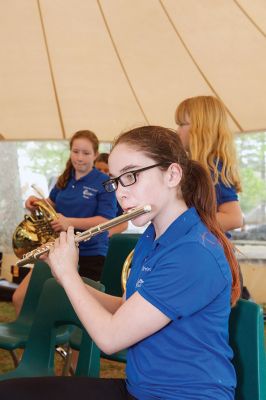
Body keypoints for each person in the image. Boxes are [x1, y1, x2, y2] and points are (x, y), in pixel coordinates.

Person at [3, 126, 241, 399]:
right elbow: (127, 309)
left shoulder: (193, 252)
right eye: (115, 181)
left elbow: (110, 338)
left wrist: (70, 276)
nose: (120, 193)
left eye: (131, 176)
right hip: (140, 390)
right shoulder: (152, 237)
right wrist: (65, 276)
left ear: (172, 174)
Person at [12, 130, 117, 315]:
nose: (80, 157)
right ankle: (34, 342)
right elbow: (52, 204)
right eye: (76, 151)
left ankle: (66, 345)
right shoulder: (65, 178)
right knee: (20, 298)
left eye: (86, 153)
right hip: (57, 250)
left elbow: (106, 220)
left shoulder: (104, 182)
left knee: (73, 313)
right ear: (70, 152)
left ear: (95, 154)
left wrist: (69, 222)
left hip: (89, 255)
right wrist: (36, 203)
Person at [175, 95, 243, 233]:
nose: (177, 130)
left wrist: (185, 225)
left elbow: (234, 218)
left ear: (201, 129)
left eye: (182, 124)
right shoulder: (196, 167)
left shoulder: (213, 168)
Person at [95, 152, 128, 235]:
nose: (102, 173)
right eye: (98, 170)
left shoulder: (117, 192)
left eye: (106, 171)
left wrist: (103, 235)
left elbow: (124, 224)